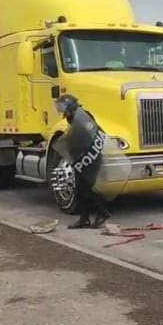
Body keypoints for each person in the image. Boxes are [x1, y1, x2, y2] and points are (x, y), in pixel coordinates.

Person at [55, 94, 111, 229]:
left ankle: (102, 212)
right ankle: (84, 218)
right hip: (82, 158)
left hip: (90, 157)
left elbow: (86, 136)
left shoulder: (83, 118)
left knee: (85, 188)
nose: (62, 111)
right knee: (79, 189)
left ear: (70, 107)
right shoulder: (74, 118)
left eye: (63, 107)